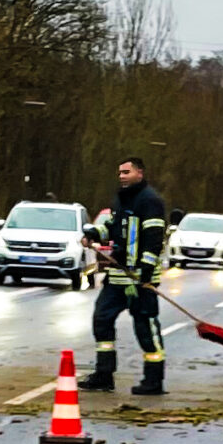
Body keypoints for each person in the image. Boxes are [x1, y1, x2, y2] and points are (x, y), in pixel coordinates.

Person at [85, 158, 169, 394]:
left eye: (126, 172)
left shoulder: (150, 201)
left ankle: (153, 380)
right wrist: (93, 233)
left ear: (140, 173)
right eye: (119, 172)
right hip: (118, 276)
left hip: (141, 279)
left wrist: (144, 271)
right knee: (102, 319)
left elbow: (153, 239)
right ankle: (104, 374)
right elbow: (112, 227)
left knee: (145, 328)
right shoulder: (121, 199)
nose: (121, 176)